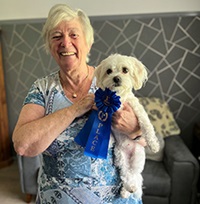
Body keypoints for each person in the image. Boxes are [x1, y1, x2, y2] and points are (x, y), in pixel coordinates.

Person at [12, 4, 146, 204]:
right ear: (49, 46)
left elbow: (144, 142)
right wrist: (74, 109)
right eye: (56, 36)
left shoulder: (110, 78)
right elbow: (22, 145)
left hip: (116, 198)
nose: (65, 43)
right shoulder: (41, 89)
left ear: (88, 43)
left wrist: (135, 130)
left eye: (74, 35)